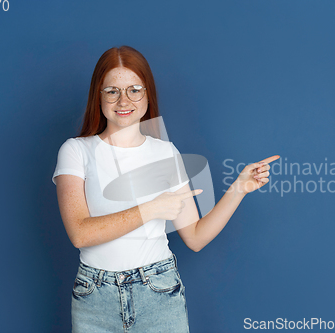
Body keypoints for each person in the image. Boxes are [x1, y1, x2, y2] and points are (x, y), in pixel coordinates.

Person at [52, 45, 279, 333]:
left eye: (135, 89)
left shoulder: (165, 152)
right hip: (95, 295)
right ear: (98, 96)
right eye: (112, 91)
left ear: (148, 94)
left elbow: (195, 237)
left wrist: (239, 189)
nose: (124, 100)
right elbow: (80, 233)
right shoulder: (76, 151)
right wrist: (152, 209)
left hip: (158, 291)